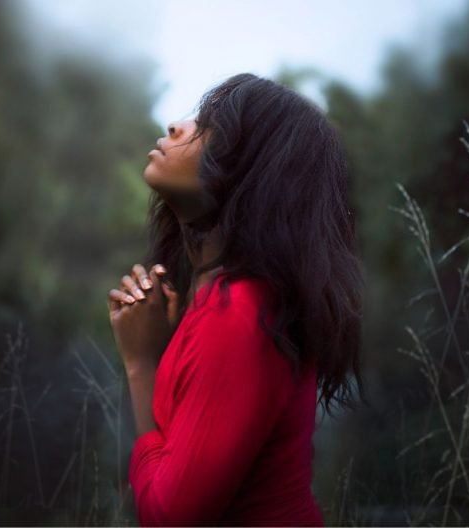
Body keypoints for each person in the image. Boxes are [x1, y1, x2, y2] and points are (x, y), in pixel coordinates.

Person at [108, 73, 365, 526]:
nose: (176, 127)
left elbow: (170, 515)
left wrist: (140, 363)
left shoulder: (239, 316)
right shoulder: (230, 305)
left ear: (254, 173)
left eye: (210, 130)